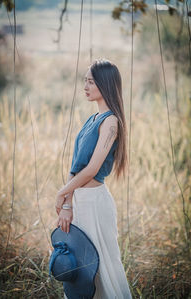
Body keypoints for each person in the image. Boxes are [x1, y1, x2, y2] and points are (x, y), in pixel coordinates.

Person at [55, 58, 132, 299]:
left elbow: (91, 169)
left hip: (96, 204)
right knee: (81, 270)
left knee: (105, 268)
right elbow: (75, 165)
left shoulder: (111, 122)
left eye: (90, 81)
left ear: (104, 84)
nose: (85, 86)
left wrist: (60, 192)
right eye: (85, 81)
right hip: (79, 202)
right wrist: (67, 203)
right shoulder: (91, 120)